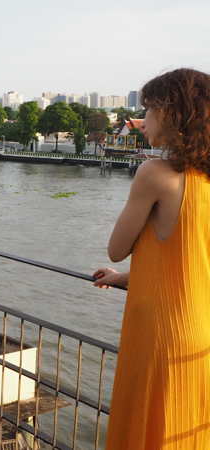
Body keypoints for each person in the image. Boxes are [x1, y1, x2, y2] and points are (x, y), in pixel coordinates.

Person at [92, 68, 210, 449]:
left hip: (159, 332)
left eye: (151, 111)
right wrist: (125, 278)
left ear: (174, 114)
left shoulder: (156, 174)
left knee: (146, 429)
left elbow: (116, 247)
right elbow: (192, 262)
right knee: (182, 430)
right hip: (199, 333)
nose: (143, 122)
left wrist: (117, 266)